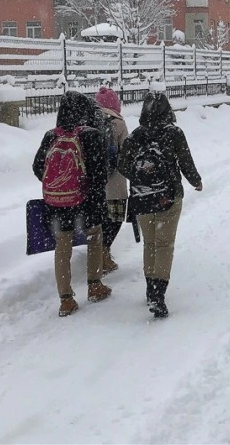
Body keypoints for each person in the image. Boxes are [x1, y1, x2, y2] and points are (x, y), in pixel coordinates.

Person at [118, 92, 203, 318]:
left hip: (142, 197)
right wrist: (196, 181)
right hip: (168, 197)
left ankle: (150, 289)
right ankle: (158, 294)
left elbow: (122, 164)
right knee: (164, 245)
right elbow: (185, 161)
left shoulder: (136, 136)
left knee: (150, 244)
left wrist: (141, 176)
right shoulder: (174, 133)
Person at [32, 91, 112, 317]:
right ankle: (95, 285)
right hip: (87, 201)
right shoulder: (91, 135)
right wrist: (86, 190)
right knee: (94, 238)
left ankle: (66, 299)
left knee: (62, 247)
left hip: (57, 203)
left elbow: (38, 167)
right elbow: (100, 172)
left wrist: (59, 184)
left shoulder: (51, 136)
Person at [94, 86, 129, 276]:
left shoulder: (88, 120)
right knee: (114, 219)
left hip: (94, 183)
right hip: (115, 183)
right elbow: (127, 151)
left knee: (98, 220)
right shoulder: (118, 122)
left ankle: (98, 253)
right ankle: (104, 252)